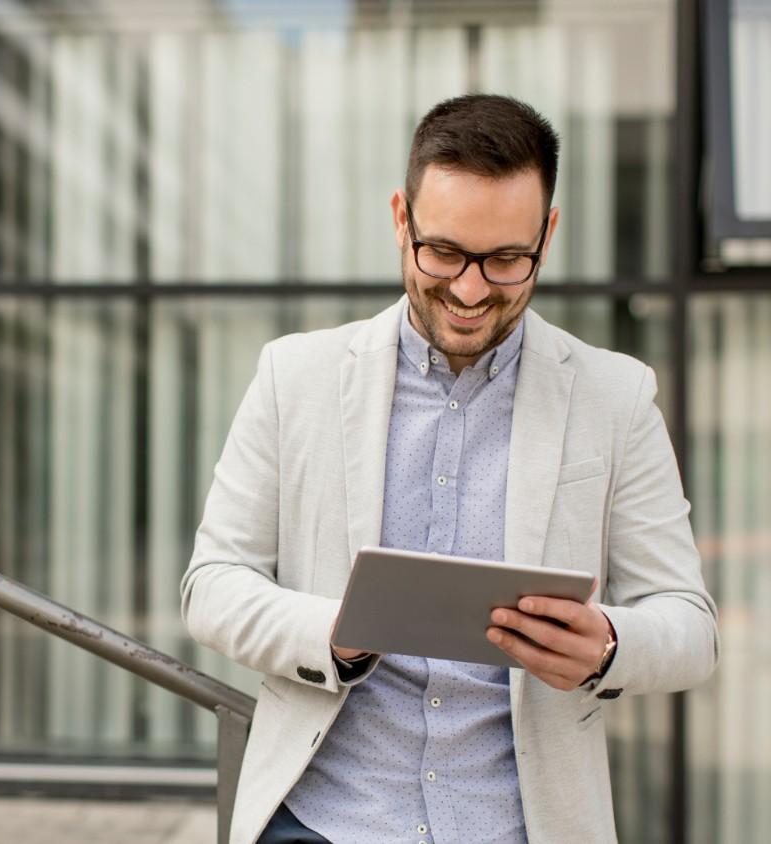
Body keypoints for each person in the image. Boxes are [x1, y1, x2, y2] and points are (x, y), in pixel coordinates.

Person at [180, 94, 718, 844]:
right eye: (444, 254)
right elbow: (211, 586)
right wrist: (329, 633)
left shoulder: (616, 399)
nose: (470, 291)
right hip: (320, 821)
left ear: (547, 235)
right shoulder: (293, 376)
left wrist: (605, 646)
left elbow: (690, 627)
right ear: (401, 219)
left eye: (506, 260)